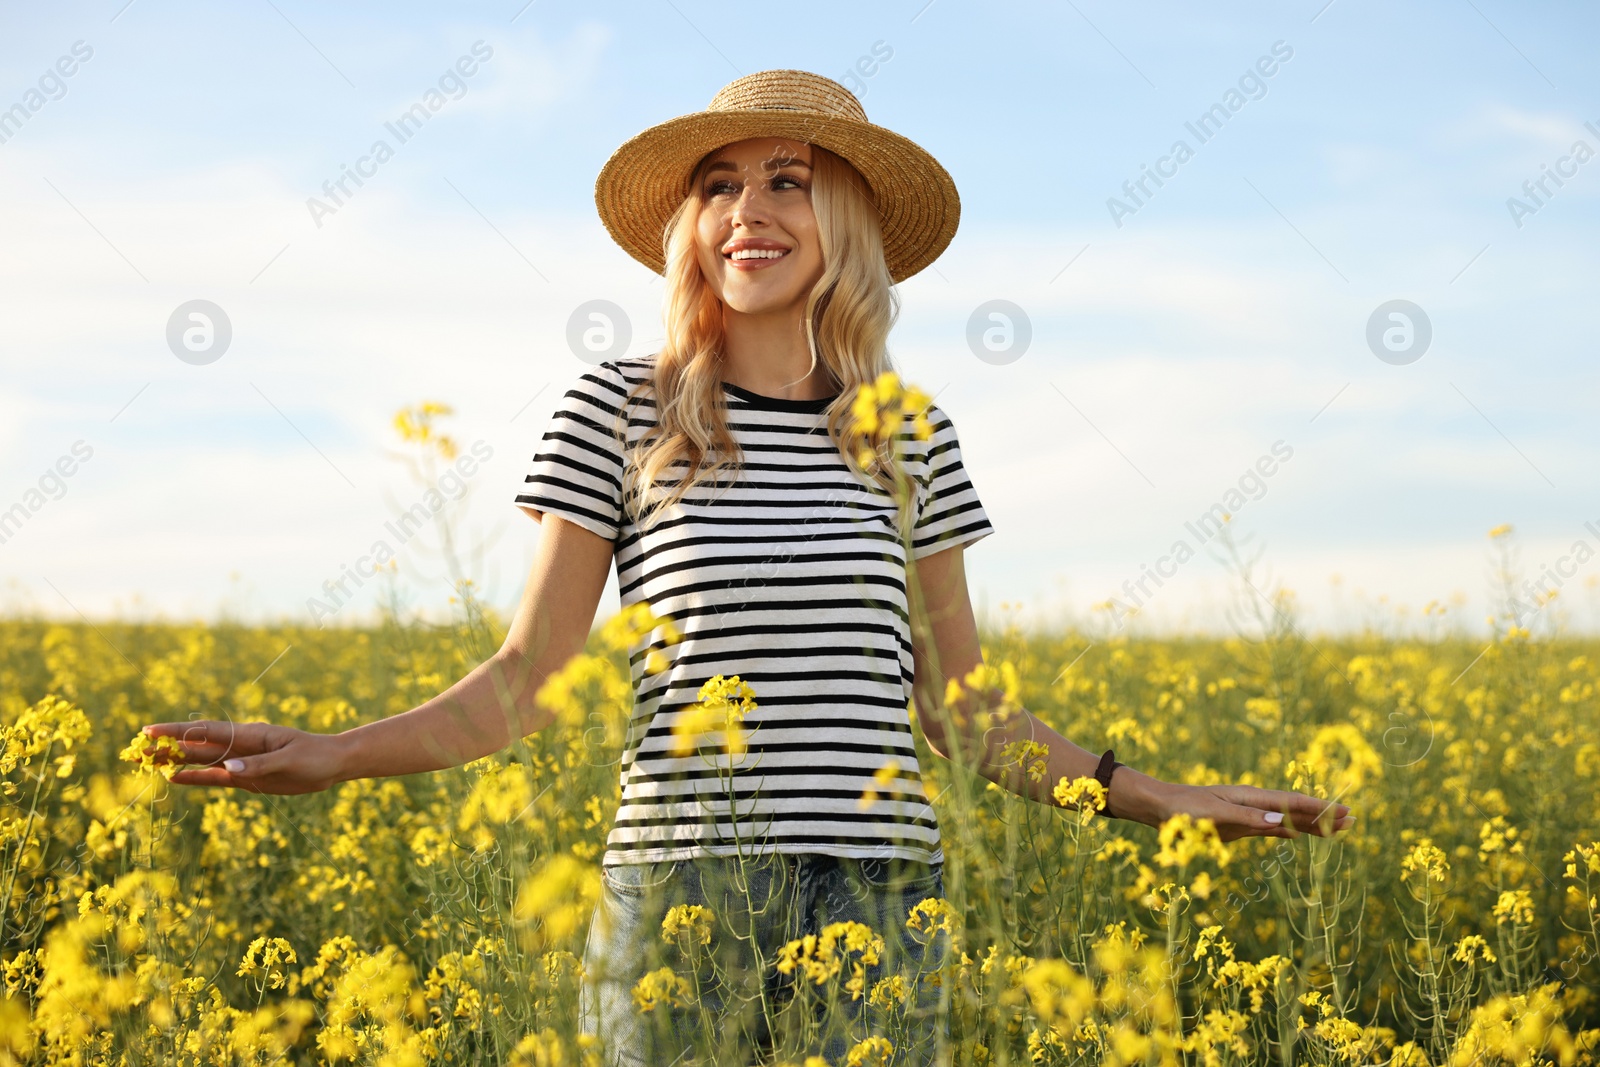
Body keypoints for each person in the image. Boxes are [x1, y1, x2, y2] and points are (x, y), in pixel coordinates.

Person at [142, 70, 1354, 1067]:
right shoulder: (620, 409)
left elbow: (962, 711)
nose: (746, 211)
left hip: (885, 896)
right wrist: (337, 750)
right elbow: (526, 675)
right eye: (719, 187)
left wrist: (1161, 798)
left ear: (848, 225)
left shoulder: (909, 433)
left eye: (789, 181)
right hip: (676, 885)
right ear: (688, 230)